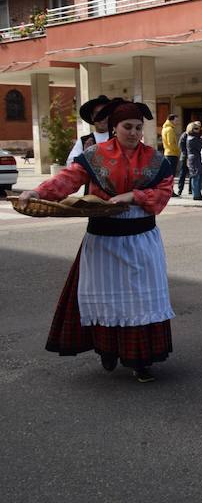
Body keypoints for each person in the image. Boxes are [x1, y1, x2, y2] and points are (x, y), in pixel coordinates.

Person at [17, 99, 175, 383]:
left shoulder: (155, 159)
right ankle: (107, 349)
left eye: (138, 127)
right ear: (114, 127)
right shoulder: (94, 156)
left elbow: (163, 193)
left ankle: (141, 360)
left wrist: (134, 196)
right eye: (127, 126)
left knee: (140, 299)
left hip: (141, 240)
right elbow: (67, 180)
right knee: (107, 297)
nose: (134, 132)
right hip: (103, 239)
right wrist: (37, 193)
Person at [66, 95, 111, 166]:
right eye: (98, 114)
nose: (102, 118)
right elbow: (70, 164)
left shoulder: (119, 138)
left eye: (105, 113)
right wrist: (85, 155)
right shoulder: (84, 141)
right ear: (92, 117)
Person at [185, 121, 202, 200]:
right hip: (195, 158)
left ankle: (197, 194)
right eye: (196, 128)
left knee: (198, 176)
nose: (198, 130)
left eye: (198, 128)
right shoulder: (193, 138)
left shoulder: (193, 137)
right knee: (196, 176)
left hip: (195, 158)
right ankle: (196, 195)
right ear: (191, 129)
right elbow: (200, 147)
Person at [161, 114, 180, 178]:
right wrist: (177, 151)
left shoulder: (165, 128)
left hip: (168, 153)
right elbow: (171, 143)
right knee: (171, 174)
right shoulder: (170, 129)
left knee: (169, 174)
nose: (177, 122)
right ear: (171, 120)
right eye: (176, 120)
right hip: (172, 154)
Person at [175, 126, 190, 196]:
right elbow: (181, 145)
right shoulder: (185, 135)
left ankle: (190, 190)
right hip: (185, 157)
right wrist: (186, 154)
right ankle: (180, 189)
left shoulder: (193, 135)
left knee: (191, 174)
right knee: (182, 173)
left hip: (189, 157)